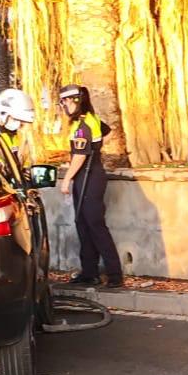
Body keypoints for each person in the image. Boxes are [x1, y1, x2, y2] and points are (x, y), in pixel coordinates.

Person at [58, 83, 123, 288]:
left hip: (89, 177)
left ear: (74, 101)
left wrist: (67, 178)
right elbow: (105, 129)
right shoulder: (89, 121)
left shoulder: (83, 125)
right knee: (83, 224)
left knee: (95, 226)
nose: (63, 107)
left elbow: (80, 156)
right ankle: (89, 272)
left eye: (65, 102)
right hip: (88, 176)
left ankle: (114, 274)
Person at [0, 88, 37, 161]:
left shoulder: (20, 135)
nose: (21, 125)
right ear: (3, 114)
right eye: (17, 119)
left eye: (23, 121)